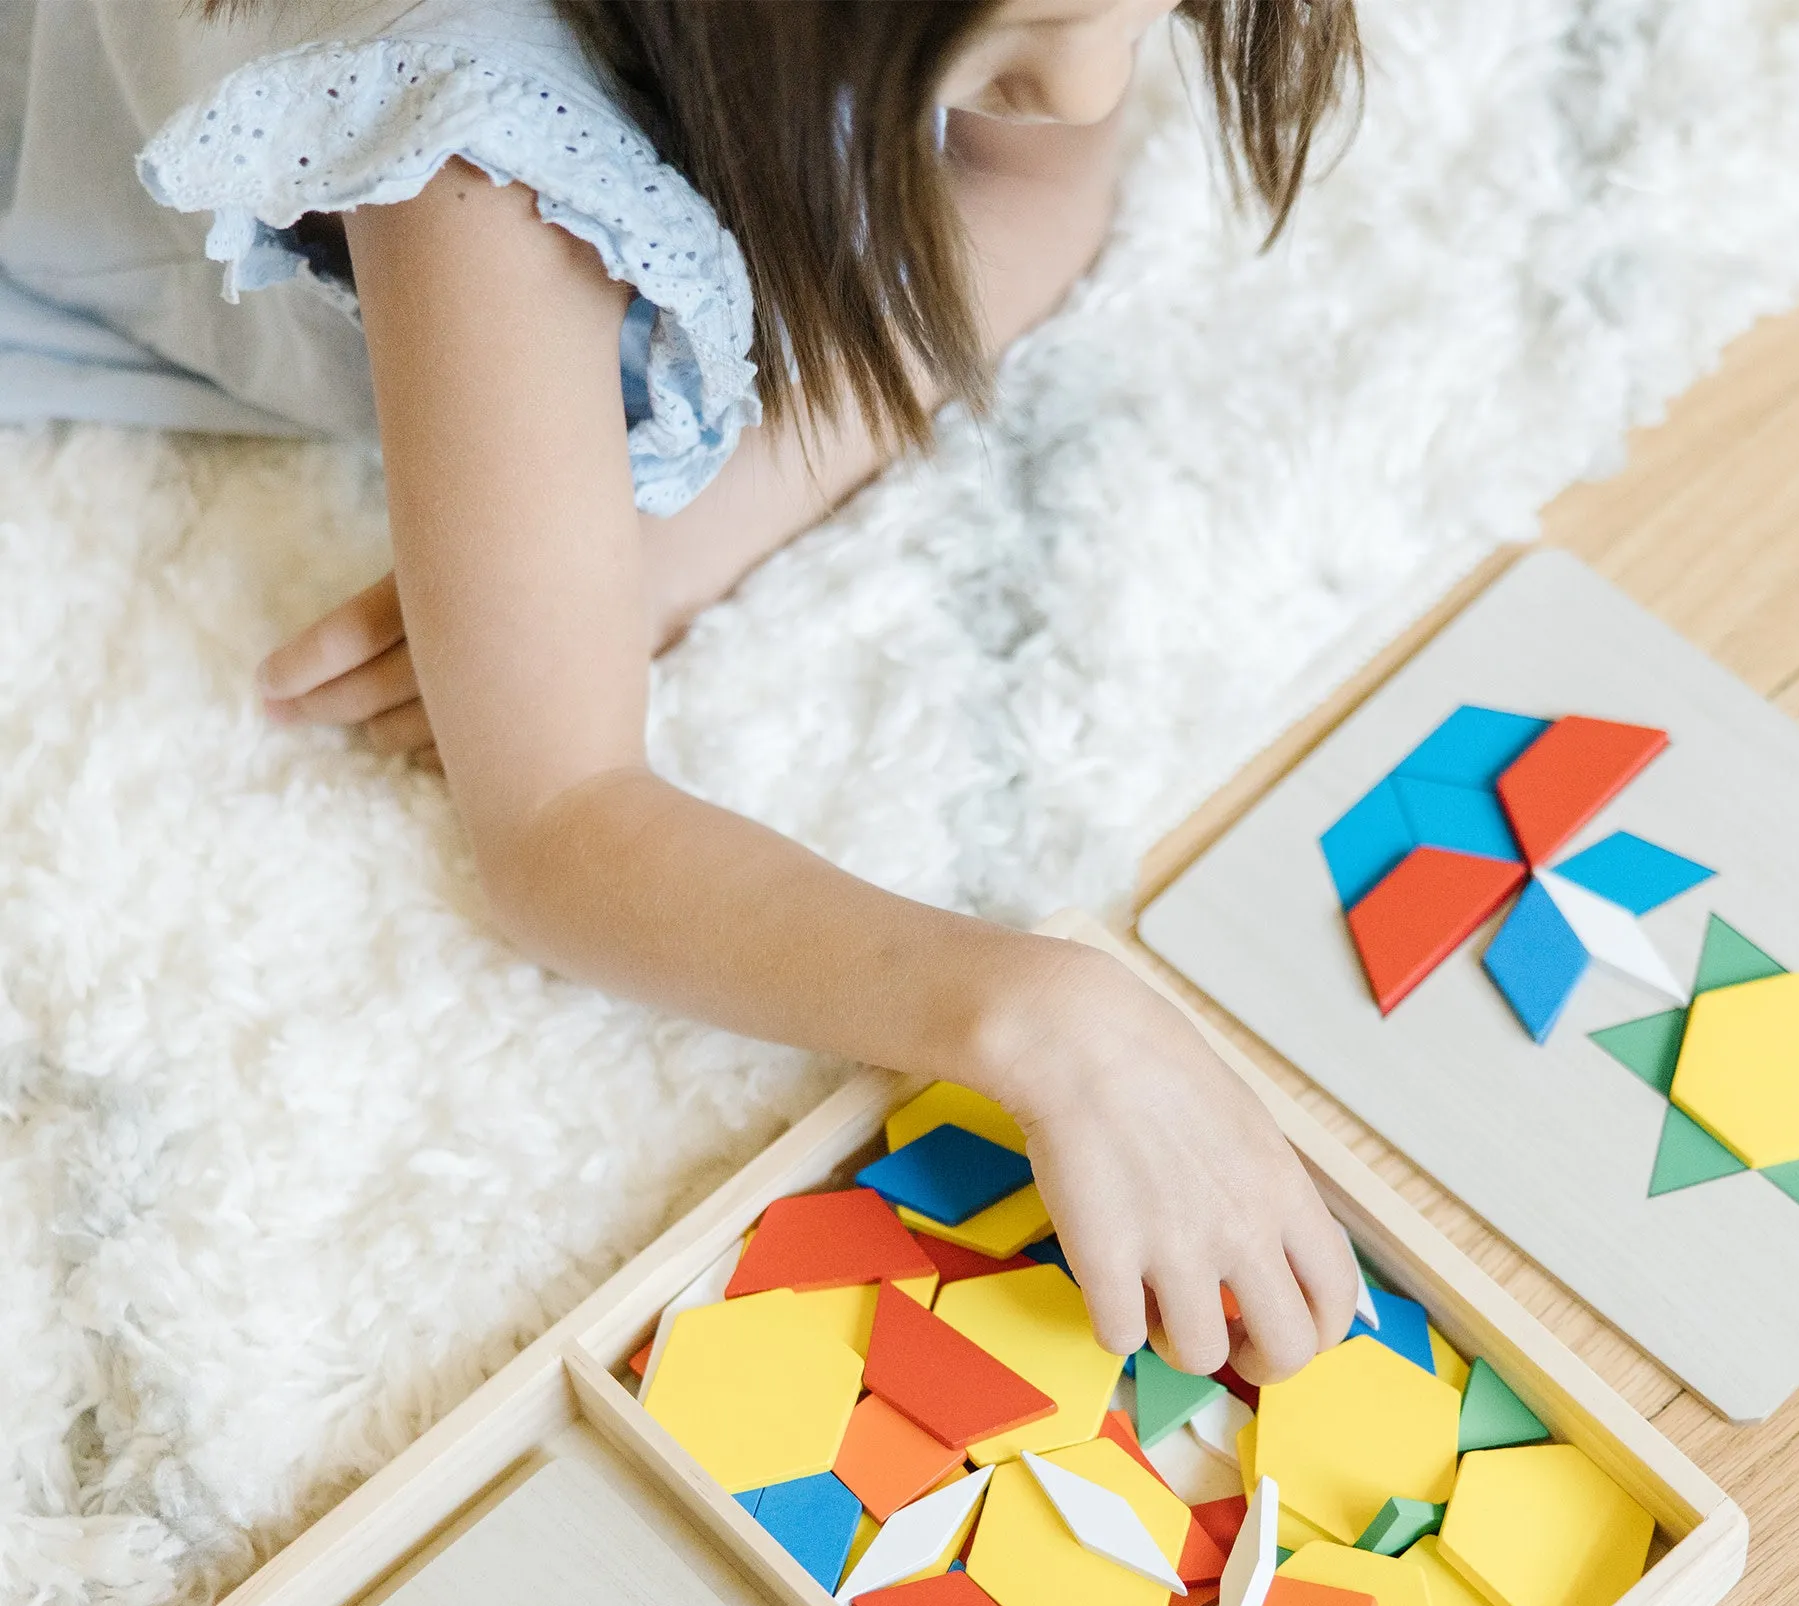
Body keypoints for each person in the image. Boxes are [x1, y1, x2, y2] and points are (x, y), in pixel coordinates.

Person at [1, 0, 1367, 1382]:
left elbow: (1031, 186)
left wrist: (649, 555)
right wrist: (1043, 1019)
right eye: (1044, 27)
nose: (1084, 91)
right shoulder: (482, 173)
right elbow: (558, 827)